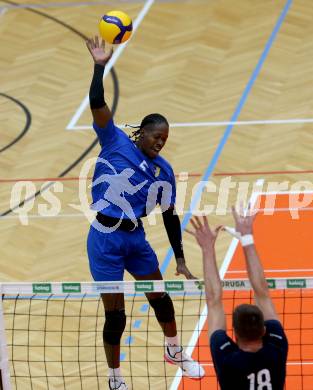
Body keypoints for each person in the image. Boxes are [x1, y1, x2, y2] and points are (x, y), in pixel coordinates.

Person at [85, 36, 205, 390]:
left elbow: (169, 215)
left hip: (135, 238)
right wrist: (99, 65)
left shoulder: (163, 171)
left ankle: (174, 351)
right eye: (156, 136)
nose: (160, 142)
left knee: (160, 297)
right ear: (142, 132)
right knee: (116, 317)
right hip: (104, 239)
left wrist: (180, 258)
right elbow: (96, 101)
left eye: (165, 139)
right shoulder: (114, 140)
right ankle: (115, 378)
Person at [186, 205, 288, 390]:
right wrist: (247, 238)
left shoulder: (227, 358)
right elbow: (262, 293)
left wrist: (207, 248)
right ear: (264, 330)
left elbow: (213, 300)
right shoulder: (277, 347)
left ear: (235, 333)